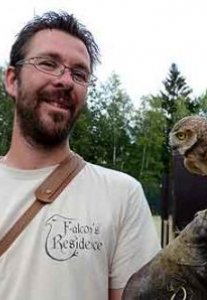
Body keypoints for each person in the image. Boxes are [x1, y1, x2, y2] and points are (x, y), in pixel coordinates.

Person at [0, 11, 161, 300]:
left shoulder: (122, 196)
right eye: (48, 63)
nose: (65, 81)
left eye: (79, 74)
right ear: (12, 80)